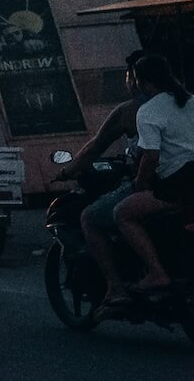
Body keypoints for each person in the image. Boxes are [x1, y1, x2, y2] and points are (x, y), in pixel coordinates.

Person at [110, 55, 194, 302]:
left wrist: (140, 184)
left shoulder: (148, 111)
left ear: (143, 82)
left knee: (122, 214)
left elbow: (150, 157)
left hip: (181, 183)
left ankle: (157, 273)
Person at [54, 51, 146, 309]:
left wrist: (67, 171)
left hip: (159, 183)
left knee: (91, 217)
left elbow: (95, 147)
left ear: (136, 80)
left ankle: (116, 288)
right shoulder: (191, 103)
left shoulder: (136, 110)